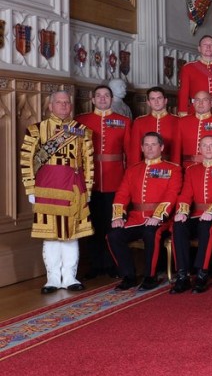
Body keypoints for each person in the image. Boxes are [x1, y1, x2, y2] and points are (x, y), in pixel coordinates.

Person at [20, 90, 95, 294]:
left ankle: (70, 276)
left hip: (73, 188)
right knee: (51, 235)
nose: (63, 106)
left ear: (71, 106)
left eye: (67, 102)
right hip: (46, 188)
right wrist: (30, 187)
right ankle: (52, 278)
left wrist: (88, 188)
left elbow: (88, 162)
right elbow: (27, 161)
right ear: (50, 106)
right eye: (59, 102)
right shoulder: (36, 130)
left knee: (71, 235)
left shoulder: (81, 131)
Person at [108, 132, 183, 291]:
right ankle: (128, 276)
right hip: (136, 218)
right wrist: (118, 216)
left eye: (153, 144)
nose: (149, 148)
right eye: (146, 145)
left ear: (161, 147)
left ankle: (150, 276)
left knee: (151, 233)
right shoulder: (132, 170)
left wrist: (157, 216)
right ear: (141, 148)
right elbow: (122, 194)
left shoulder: (173, 169)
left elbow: (172, 195)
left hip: (161, 218)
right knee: (113, 235)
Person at [76, 84, 132, 278]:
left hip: (115, 181)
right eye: (98, 96)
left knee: (112, 224)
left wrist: (128, 182)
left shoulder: (123, 121)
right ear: (92, 100)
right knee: (93, 224)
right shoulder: (81, 121)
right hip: (89, 182)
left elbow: (130, 155)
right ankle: (95, 264)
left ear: (111, 99)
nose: (102, 99)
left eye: (106, 96)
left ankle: (112, 264)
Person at [170, 136, 212, 294]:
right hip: (195, 214)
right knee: (178, 226)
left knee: (205, 226)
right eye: (204, 146)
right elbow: (186, 194)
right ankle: (182, 275)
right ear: (199, 149)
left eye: (211, 145)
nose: (208, 149)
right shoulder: (192, 170)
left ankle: (202, 273)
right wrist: (182, 211)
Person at [176, 91, 212, 170]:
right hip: (187, 168)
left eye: (205, 100)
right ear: (194, 103)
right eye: (197, 100)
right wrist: (176, 169)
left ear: (211, 102)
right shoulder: (182, 122)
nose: (200, 103)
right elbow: (176, 149)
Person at [178, 35, 212, 116]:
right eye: (205, 45)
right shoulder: (188, 68)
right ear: (199, 48)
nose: (208, 47)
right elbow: (183, 92)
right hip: (196, 110)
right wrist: (183, 111)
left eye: (211, 45)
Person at [130, 87, 179, 164]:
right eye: (152, 99)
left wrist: (176, 167)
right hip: (146, 165)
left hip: (170, 165)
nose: (156, 102)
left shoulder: (177, 121)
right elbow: (135, 150)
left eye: (159, 98)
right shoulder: (139, 122)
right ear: (148, 103)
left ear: (165, 101)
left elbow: (178, 149)